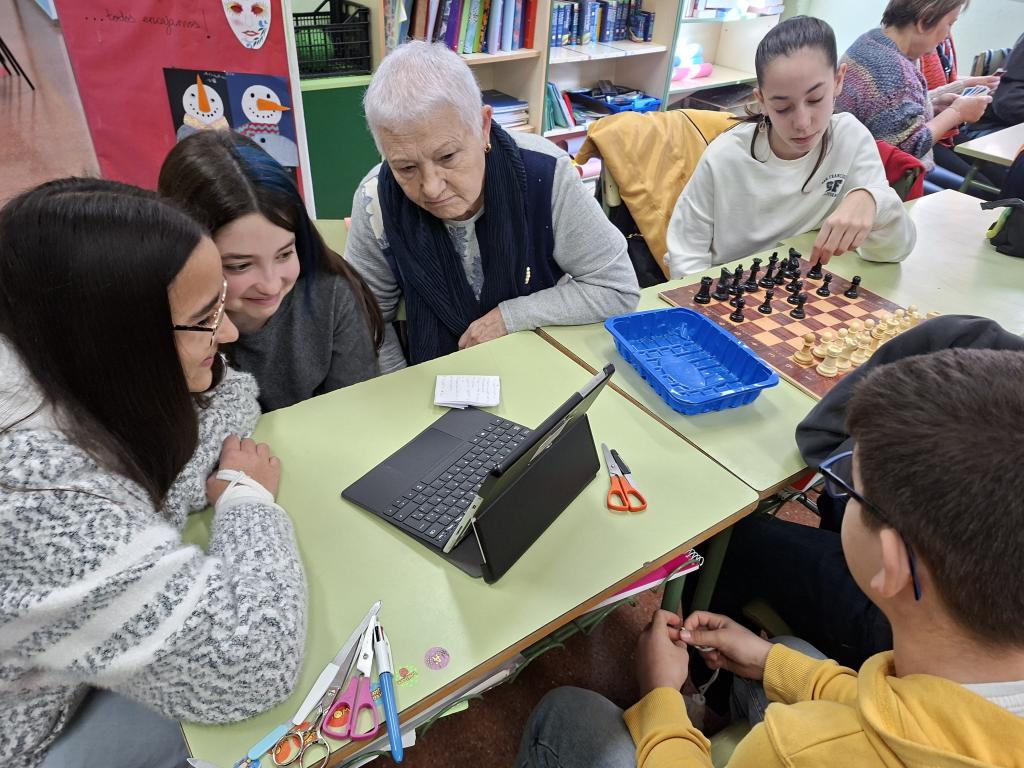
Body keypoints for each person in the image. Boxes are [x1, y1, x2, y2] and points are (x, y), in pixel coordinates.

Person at [518, 347, 1024, 768]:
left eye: (851, 485)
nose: (841, 492)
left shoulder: (792, 752)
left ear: (892, 564)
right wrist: (771, 661)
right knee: (791, 649)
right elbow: (914, 718)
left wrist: (661, 700)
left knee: (567, 715)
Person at [0, 178, 307, 768]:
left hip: (69, 664)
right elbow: (249, 666)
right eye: (205, 317)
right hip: (36, 731)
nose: (230, 333)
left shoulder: (64, 360)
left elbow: (229, 390)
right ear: (119, 346)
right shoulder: (37, 497)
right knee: (260, 735)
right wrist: (244, 499)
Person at [345, 41, 640, 372]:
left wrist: (512, 316)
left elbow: (617, 288)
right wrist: (403, 392)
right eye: (405, 167)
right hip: (429, 380)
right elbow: (367, 322)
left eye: (447, 156)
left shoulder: (545, 176)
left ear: (483, 126)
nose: (431, 187)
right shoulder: (376, 202)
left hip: (539, 364)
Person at [665, 16, 916, 279]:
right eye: (782, 107)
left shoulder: (850, 138)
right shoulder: (725, 157)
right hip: (732, 295)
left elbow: (894, 252)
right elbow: (686, 259)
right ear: (761, 101)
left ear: (839, 80)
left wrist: (874, 200)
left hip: (806, 294)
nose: (802, 123)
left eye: (816, 98)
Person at [159, 130, 385, 411]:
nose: (270, 285)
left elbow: (358, 408)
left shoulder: (331, 291)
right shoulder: (165, 324)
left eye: (285, 253)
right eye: (239, 265)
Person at [835, 0, 998, 195]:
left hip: (857, 166)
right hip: (874, 181)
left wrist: (934, 102)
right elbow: (910, 148)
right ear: (924, 21)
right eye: (950, 24)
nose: (947, 35)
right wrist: (957, 113)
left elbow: (889, 108)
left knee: (978, 188)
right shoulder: (896, 72)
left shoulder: (871, 40)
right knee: (982, 195)